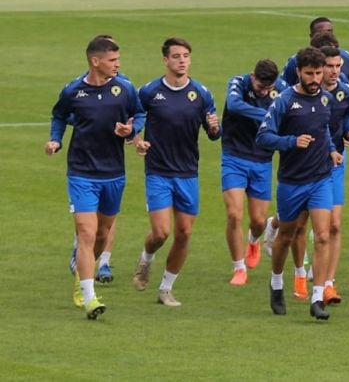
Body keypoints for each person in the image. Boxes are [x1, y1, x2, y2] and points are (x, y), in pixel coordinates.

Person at [47, 36, 144, 319]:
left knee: (102, 234)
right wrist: (55, 140)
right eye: (113, 60)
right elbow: (58, 117)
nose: (118, 64)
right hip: (81, 172)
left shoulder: (124, 88)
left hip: (113, 172)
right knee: (87, 232)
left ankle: (82, 274)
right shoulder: (73, 91)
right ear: (95, 61)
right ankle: (89, 297)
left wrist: (132, 130)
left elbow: (138, 114)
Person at [132, 38, 220, 307]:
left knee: (184, 233)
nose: (182, 60)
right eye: (176, 56)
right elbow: (132, 119)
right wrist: (137, 141)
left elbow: (214, 134)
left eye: (186, 56)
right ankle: (146, 259)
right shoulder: (149, 92)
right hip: (158, 171)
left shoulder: (201, 94)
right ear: (165, 61)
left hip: (188, 173)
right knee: (161, 233)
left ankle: (166, 289)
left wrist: (215, 127)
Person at [256, 47, 341, 321]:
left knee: (323, 235)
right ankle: (277, 282)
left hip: (321, 179)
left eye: (319, 72)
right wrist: (291, 142)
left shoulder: (326, 100)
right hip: (292, 182)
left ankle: (317, 298)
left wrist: (331, 149)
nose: (316, 78)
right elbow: (264, 137)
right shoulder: (283, 101)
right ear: (299, 73)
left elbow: (323, 128)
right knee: (286, 237)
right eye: (310, 73)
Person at [220, 59, 280, 286]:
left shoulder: (280, 90)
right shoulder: (238, 82)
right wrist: (266, 115)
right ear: (253, 75)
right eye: (260, 87)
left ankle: (254, 240)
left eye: (268, 88)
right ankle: (239, 267)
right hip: (234, 156)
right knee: (235, 214)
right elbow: (234, 105)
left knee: (257, 220)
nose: (264, 91)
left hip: (262, 160)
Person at [315, 45, 349, 305]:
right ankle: (274, 226)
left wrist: (348, 133)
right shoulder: (305, 93)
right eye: (329, 67)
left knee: (334, 224)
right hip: (306, 164)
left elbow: (344, 120)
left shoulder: (346, 92)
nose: (334, 72)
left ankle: (329, 283)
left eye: (338, 66)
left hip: (335, 163)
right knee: (294, 225)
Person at [282, 18, 349, 86]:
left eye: (329, 31)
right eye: (320, 32)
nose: (325, 35)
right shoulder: (297, 60)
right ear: (311, 36)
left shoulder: (347, 58)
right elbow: (284, 87)